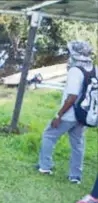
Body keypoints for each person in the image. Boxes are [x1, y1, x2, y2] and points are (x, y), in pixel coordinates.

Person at [36, 41, 96, 184]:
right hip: (83, 114)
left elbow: (72, 96)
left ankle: (45, 166)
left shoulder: (75, 70)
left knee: (49, 135)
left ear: (75, 54)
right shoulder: (94, 69)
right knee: (78, 144)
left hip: (69, 114)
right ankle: (75, 176)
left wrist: (59, 115)